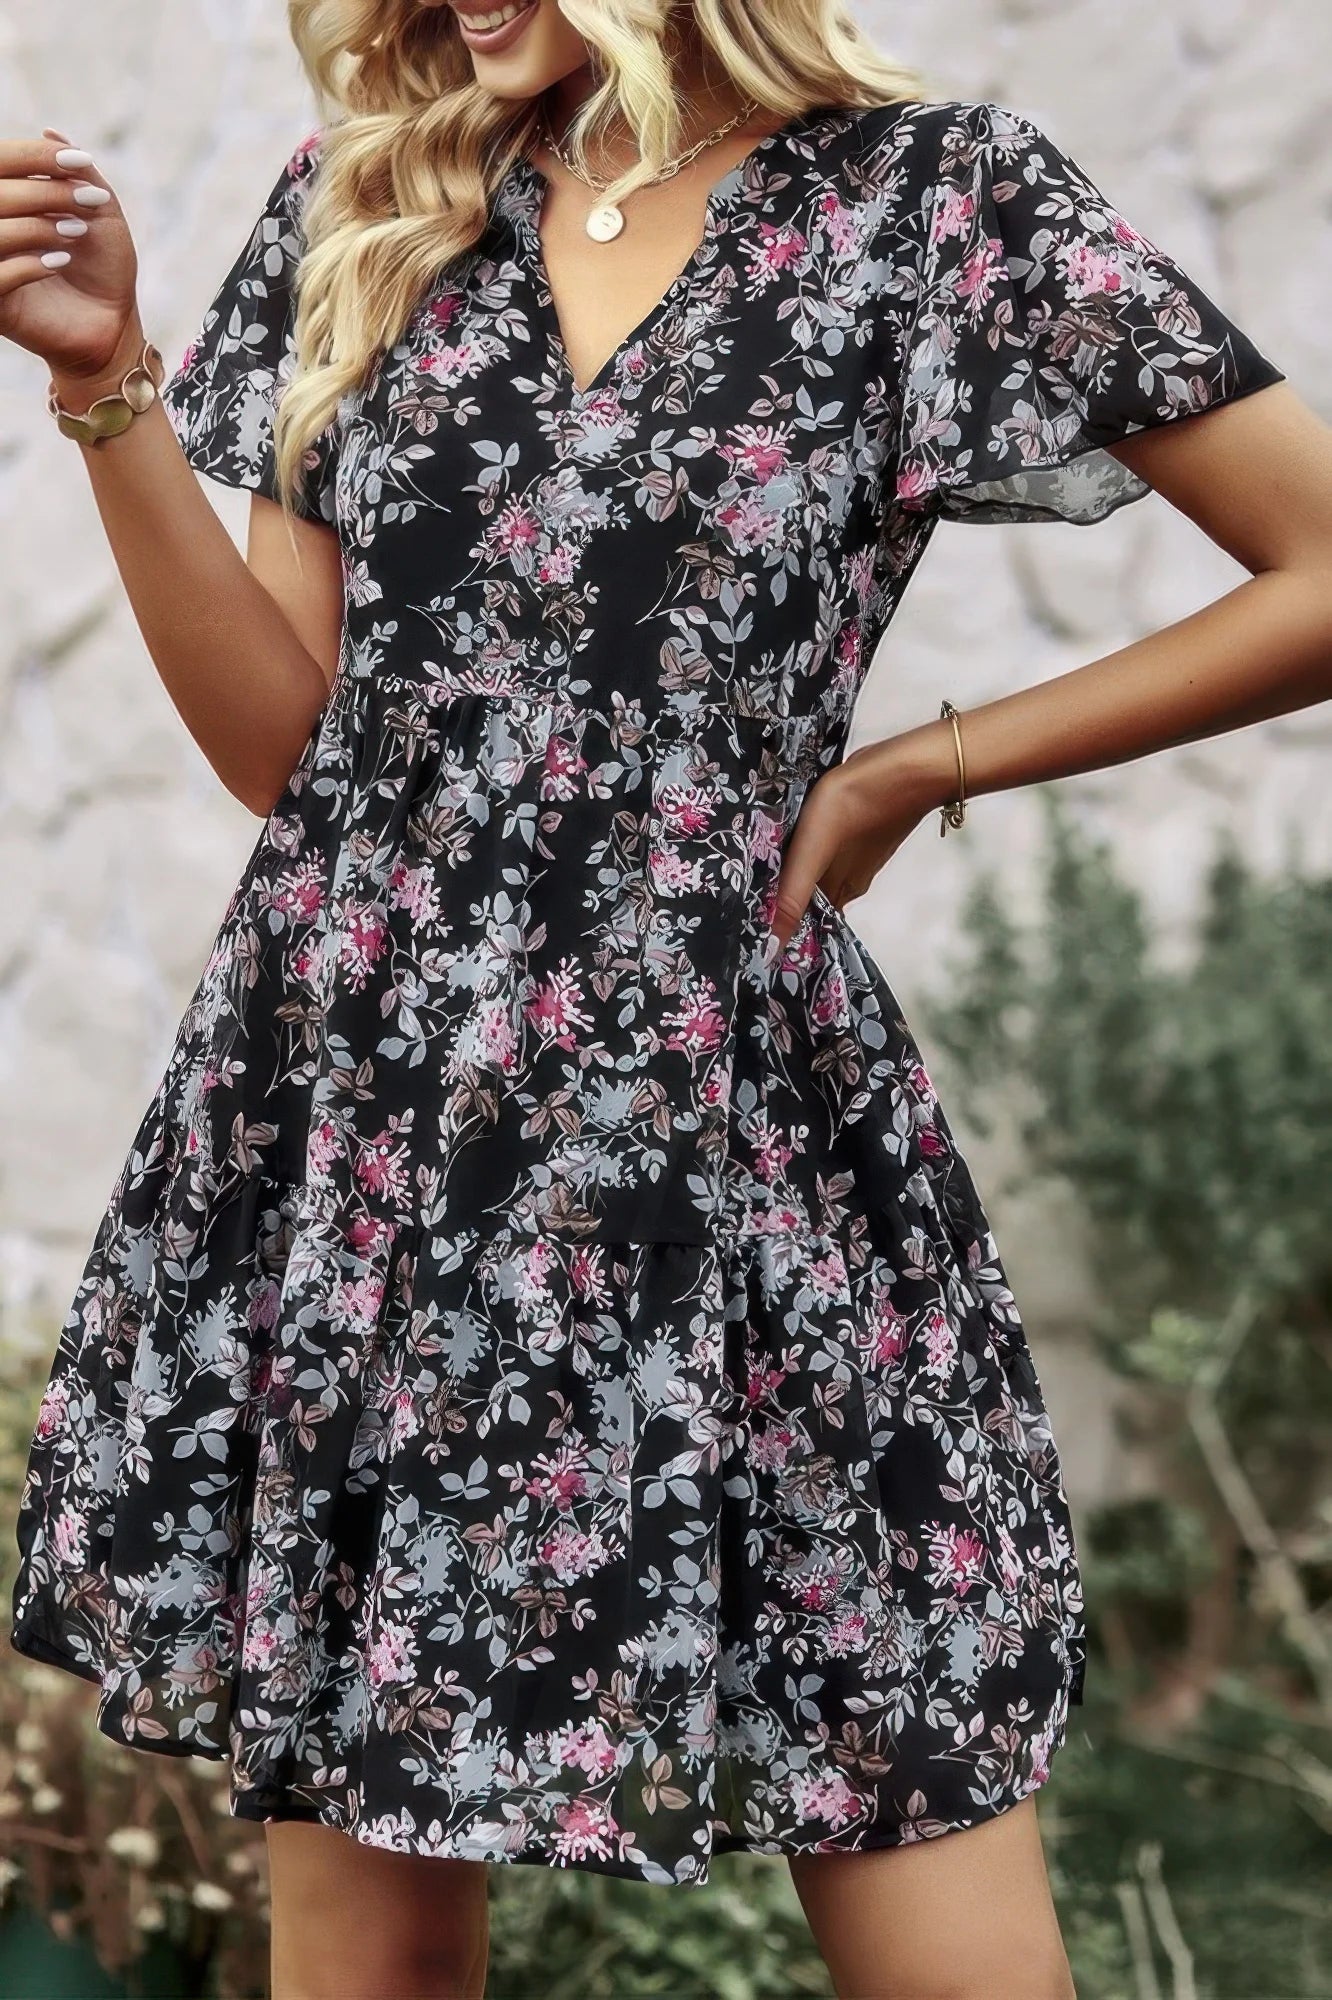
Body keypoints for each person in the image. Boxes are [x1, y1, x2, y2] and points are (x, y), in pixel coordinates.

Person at [5, 2, 1328, 1995]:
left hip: (741, 1142)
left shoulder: (932, 204)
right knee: (367, 1965)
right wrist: (110, 389)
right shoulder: (370, 205)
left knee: (942, 1887)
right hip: (384, 1137)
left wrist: (918, 765)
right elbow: (294, 751)